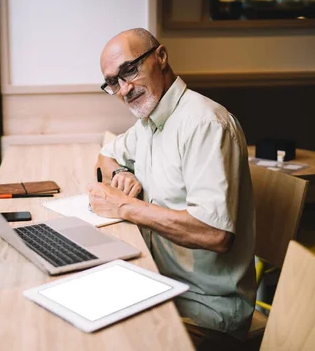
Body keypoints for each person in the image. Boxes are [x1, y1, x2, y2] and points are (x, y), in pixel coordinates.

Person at [87, 28, 256, 347]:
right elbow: (105, 156)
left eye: (129, 70)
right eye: (113, 82)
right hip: (159, 282)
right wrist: (124, 171)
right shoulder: (149, 122)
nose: (124, 89)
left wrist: (125, 206)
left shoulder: (203, 124)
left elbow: (215, 234)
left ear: (161, 57)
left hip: (208, 308)